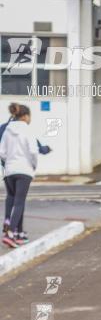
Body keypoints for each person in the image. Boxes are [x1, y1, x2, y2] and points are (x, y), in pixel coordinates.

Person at [0, 103, 38, 247]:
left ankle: (19, 234)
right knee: (20, 202)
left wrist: (9, 162)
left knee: (16, 201)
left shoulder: (8, 130)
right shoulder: (28, 130)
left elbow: (2, 152)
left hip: (9, 171)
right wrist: (33, 165)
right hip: (24, 171)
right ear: (25, 116)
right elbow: (33, 151)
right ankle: (10, 233)